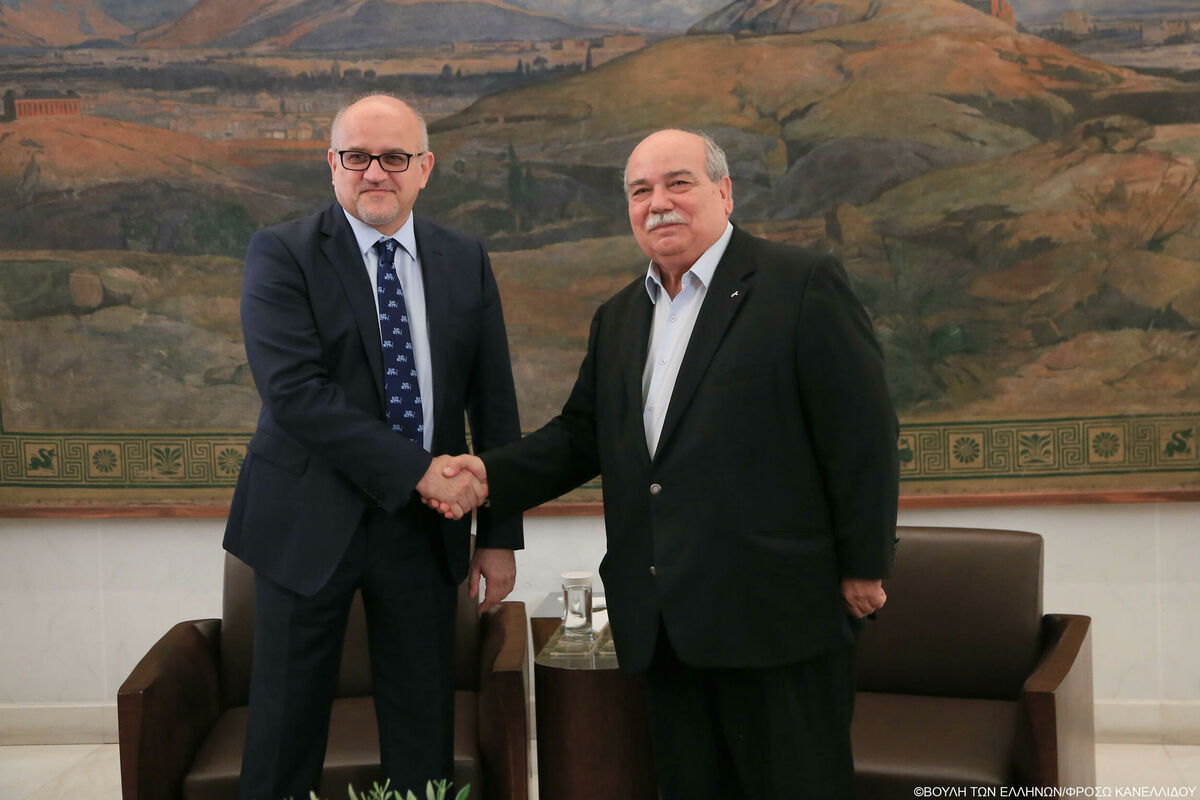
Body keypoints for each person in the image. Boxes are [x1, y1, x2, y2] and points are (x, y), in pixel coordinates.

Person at [434, 129, 899, 799]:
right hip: (663, 623)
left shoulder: (800, 285)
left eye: (678, 183)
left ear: (724, 192)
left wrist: (865, 564)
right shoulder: (620, 316)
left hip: (776, 617)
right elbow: (581, 436)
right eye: (640, 191)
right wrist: (487, 477)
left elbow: (863, 435)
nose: (658, 203)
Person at [223, 93, 523, 800]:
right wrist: (422, 471)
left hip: (424, 531)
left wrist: (499, 534)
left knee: (423, 730)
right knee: (284, 731)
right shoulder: (282, 253)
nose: (375, 172)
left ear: (425, 168)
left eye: (393, 157)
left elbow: (494, 403)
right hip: (304, 522)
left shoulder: (465, 259)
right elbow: (296, 394)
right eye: (357, 157)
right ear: (332, 165)